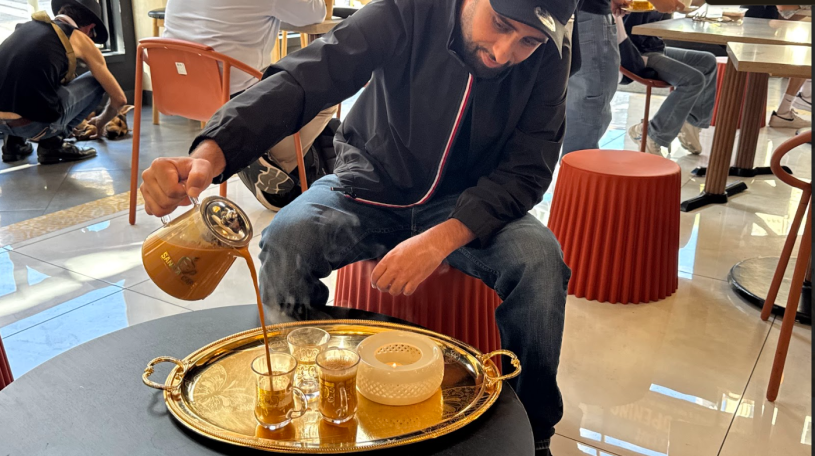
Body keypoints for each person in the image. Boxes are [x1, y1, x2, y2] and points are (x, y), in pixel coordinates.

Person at [141, 0, 577, 453]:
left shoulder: (550, 54)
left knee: (540, 262)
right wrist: (210, 154)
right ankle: (303, 392)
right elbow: (306, 76)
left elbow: (528, 169)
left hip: (467, 203)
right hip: (368, 185)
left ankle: (535, 433)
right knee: (286, 238)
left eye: (528, 40)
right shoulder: (411, 10)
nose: (505, 51)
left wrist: (443, 237)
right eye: (501, 25)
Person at [163, 0, 338, 211]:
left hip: (178, 89)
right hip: (240, 95)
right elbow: (316, 14)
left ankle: (251, 149)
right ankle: (267, 159)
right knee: (326, 92)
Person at [0, 0, 126, 164]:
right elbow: (119, 99)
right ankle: (53, 144)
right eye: (93, 36)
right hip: (32, 125)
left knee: (33, 78)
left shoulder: (24, 27)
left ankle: (12, 145)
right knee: (97, 81)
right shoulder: (78, 37)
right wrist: (101, 122)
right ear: (90, 28)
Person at [561, 0, 683, 156]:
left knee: (578, 100)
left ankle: (573, 172)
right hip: (588, 16)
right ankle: (577, 174)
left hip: (569, 12)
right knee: (589, 102)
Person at [623, 11, 717, 156]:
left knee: (707, 61)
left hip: (655, 48)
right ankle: (651, 134)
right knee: (693, 80)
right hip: (636, 53)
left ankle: (690, 123)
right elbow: (627, 30)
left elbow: (666, 22)